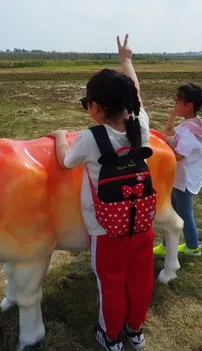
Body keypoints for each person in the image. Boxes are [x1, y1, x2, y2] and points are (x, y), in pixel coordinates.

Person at [48, 35, 154, 351]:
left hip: (106, 231)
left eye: (87, 104)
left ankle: (109, 337)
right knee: (140, 280)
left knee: (110, 283)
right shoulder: (141, 125)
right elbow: (137, 93)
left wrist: (57, 137)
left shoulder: (91, 139)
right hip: (142, 226)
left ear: (96, 108)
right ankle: (134, 331)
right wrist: (127, 61)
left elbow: (66, 161)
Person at [153, 83, 202, 257]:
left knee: (184, 213)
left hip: (183, 181)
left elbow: (178, 156)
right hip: (181, 178)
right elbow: (168, 131)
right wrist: (174, 114)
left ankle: (192, 247)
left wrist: (168, 142)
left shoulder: (189, 132)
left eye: (177, 101)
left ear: (189, 105)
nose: (175, 104)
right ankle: (167, 245)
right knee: (173, 213)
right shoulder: (192, 125)